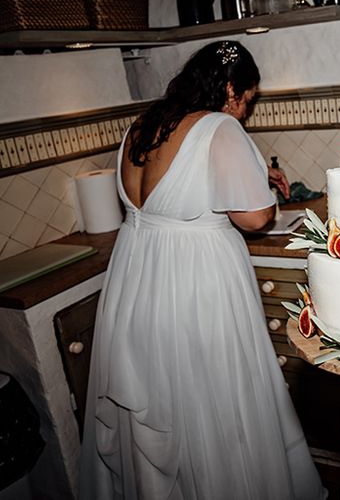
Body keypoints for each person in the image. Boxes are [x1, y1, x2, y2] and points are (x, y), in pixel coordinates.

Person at [79, 41, 325, 499]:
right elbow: (253, 218)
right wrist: (262, 194)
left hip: (136, 274)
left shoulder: (142, 125)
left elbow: (176, 192)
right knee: (214, 393)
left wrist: (250, 178)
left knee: (158, 390)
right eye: (247, 100)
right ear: (231, 88)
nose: (245, 112)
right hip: (196, 281)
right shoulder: (219, 126)